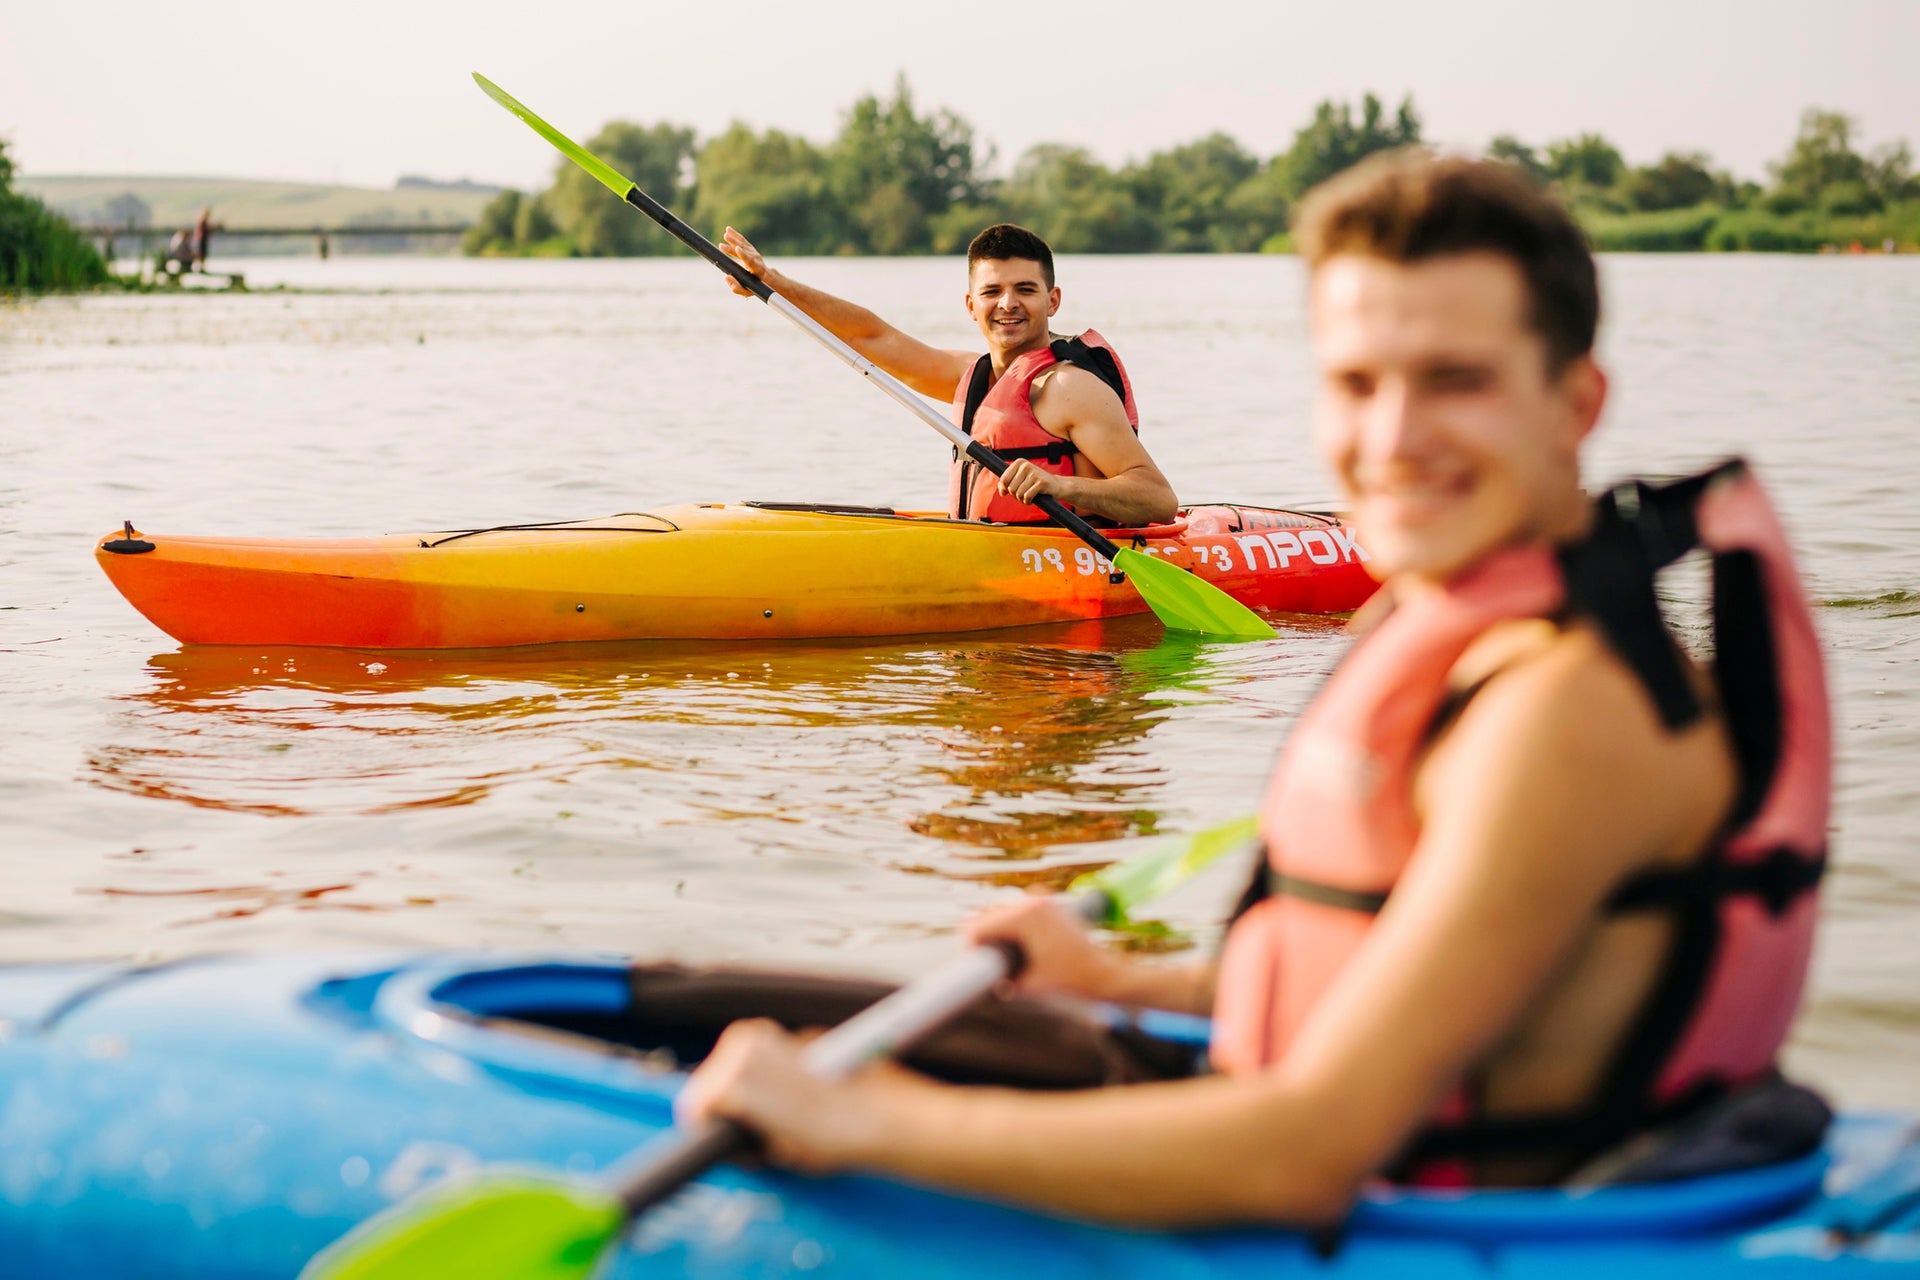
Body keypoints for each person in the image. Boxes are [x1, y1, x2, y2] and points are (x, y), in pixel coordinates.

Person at [679, 153, 1829, 1226]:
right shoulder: (1475, 635)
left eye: (1456, 380)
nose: (1393, 435)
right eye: (1356, 381)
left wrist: (863, 1119)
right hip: (1372, 1151)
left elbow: (1307, 1145)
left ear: (1576, 404)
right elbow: (1381, 969)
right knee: (682, 1009)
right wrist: (1121, 975)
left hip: (1433, 1220)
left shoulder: (1562, 708)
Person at [720, 223, 1178, 527]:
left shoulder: (1069, 387)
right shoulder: (972, 376)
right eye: (992, 291)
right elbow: (872, 337)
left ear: (1052, 301)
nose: (1008, 304)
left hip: (1070, 559)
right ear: (970, 305)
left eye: (1025, 290)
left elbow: (1158, 499)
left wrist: (1059, 486)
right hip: (991, 549)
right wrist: (772, 281)